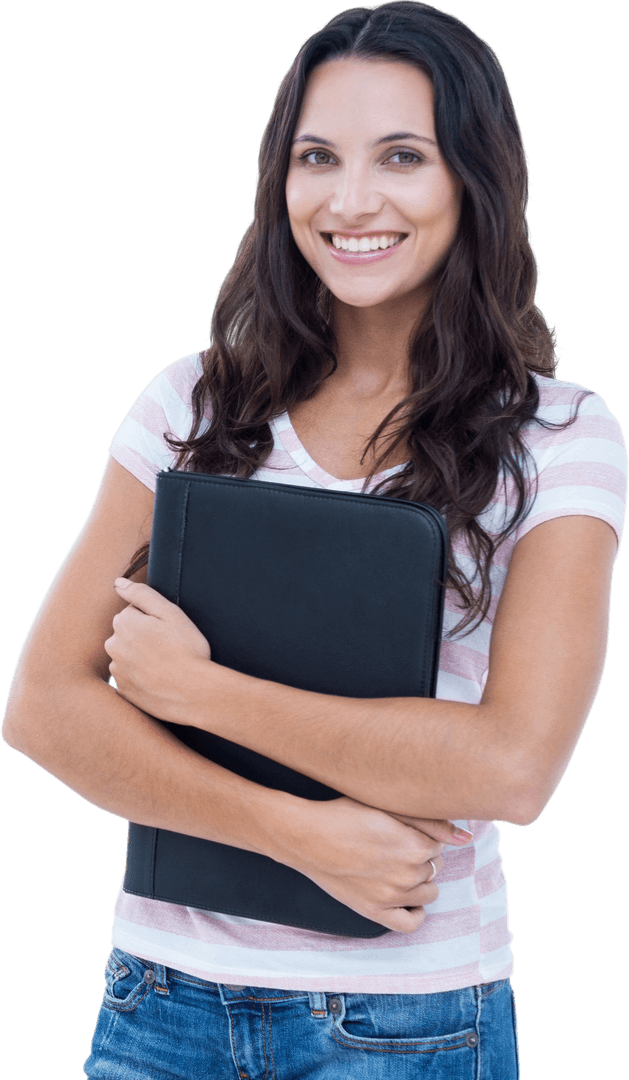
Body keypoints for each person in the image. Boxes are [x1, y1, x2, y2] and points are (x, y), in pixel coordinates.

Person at [2, 1, 626, 1076]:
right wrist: (292, 830)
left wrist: (202, 694)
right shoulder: (189, 405)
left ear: (471, 182)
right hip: (158, 1002)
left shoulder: (559, 435)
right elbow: (45, 708)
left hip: (408, 1021)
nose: (349, 201)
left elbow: (513, 767)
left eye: (400, 157)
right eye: (316, 158)